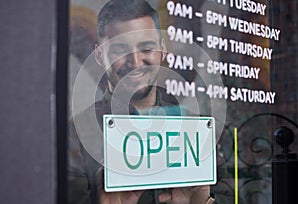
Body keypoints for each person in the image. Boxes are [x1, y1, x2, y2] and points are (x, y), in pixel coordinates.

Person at [68, 0, 214, 203]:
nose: (136, 63)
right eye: (120, 50)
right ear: (100, 55)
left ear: (162, 49)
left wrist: (199, 202)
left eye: (146, 49)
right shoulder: (75, 135)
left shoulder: (194, 132)